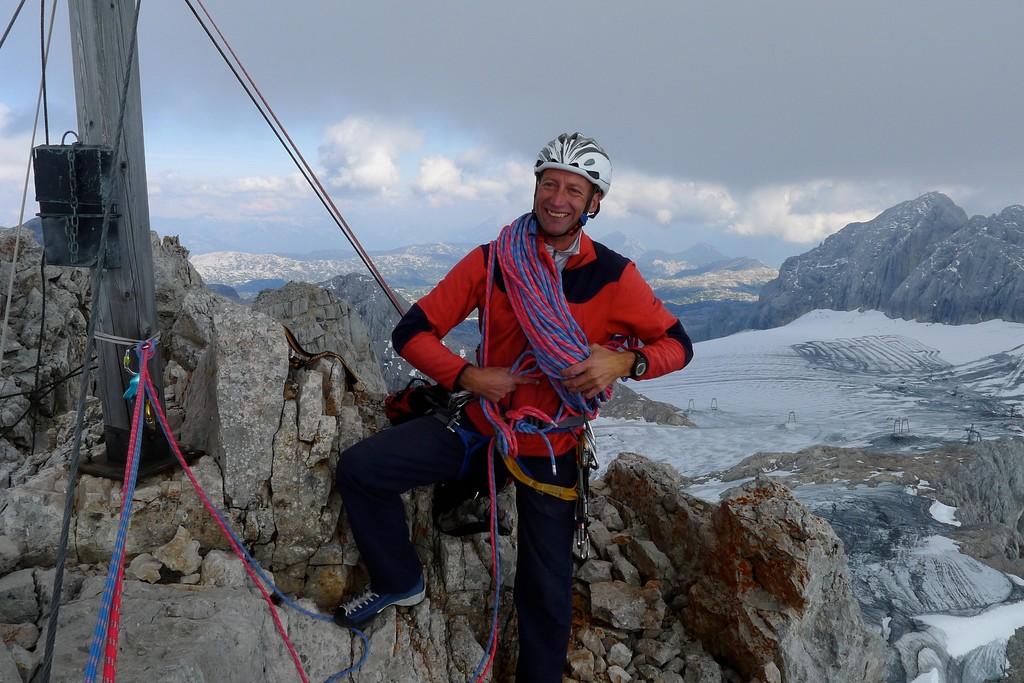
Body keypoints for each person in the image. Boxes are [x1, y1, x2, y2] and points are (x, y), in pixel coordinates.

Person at [334, 132, 693, 682]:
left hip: (551, 441)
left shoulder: (615, 276)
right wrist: (470, 376)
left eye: (575, 189)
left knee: (546, 590)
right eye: (550, 183)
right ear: (535, 187)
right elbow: (413, 330)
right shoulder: (494, 262)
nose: (558, 198)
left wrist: (623, 365)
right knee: (362, 470)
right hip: (484, 422)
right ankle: (398, 578)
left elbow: (677, 344)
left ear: (594, 203)